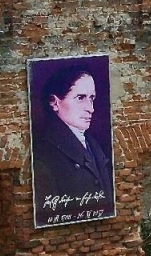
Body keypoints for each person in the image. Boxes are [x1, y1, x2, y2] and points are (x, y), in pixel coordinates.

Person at [32, 63, 114, 223]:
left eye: (92, 99)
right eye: (80, 98)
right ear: (54, 102)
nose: (90, 108)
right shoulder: (44, 153)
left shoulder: (93, 144)